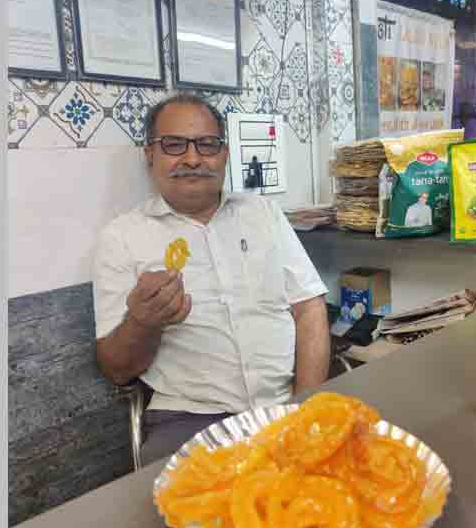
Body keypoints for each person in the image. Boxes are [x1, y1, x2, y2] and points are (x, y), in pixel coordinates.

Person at [92, 93, 330, 465]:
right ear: (150, 155)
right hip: (190, 422)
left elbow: (310, 308)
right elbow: (116, 369)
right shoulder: (122, 238)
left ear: (224, 154)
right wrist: (144, 322)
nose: (192, 158)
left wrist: (305, 408)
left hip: (286, 403)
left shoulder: (263, 213)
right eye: (173, 145)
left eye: (207, 144)